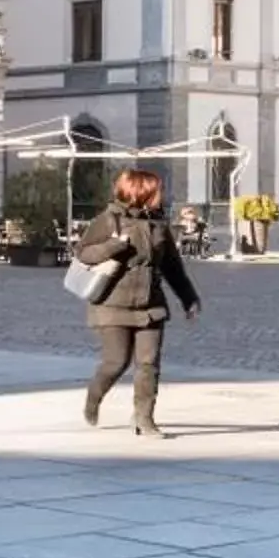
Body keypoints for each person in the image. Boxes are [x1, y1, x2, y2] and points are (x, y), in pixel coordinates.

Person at [73, 166, 201, 439]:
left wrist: (189, 299)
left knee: (148, 364)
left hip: (150, 305)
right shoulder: (107, 220)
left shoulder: (159, 226)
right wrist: (113, 246)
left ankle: (144, 418)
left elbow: (173, 268)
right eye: (156, 192)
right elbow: (83, 253)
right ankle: (94, 396)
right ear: (139, 192)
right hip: (111, 305)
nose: (160, 197)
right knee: (115, 363)